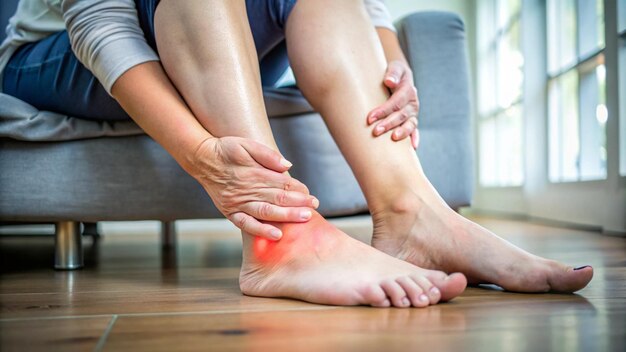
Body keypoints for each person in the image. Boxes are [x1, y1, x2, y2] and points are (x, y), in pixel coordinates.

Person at [0, 0, 593, 308]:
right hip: (56, 59)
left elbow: (366, 10)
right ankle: (280, 242)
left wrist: (391, 62)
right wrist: (202, 153)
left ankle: (415, 217)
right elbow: (99, 22)